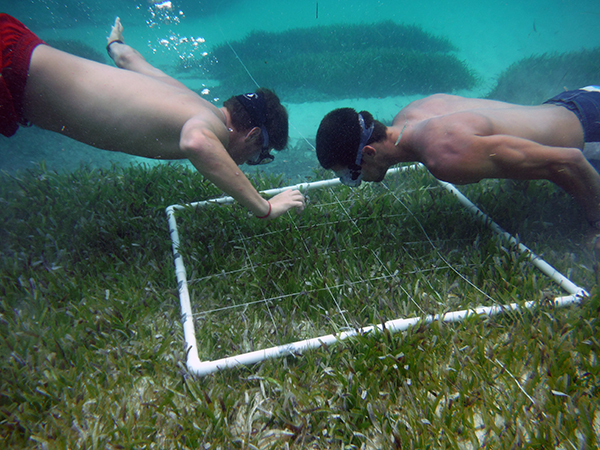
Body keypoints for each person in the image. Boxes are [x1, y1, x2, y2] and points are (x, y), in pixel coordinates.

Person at [0, 14, 305, 219]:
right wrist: (264, 208)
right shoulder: (209, 125)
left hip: (16, 49)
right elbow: (197, 143)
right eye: (257, 155)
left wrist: (114, 42)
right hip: (9, 70)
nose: (248, 163)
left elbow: (128, 59)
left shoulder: (187, 98)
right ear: (252, 135)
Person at [316, 88, 600, 231]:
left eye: (351, 176)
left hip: (591, 133)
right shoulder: (412, 112)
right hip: (577, 99)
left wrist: (595, 220)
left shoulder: (444, 156)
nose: (357, 181)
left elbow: (568, 161)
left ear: (368, 153)